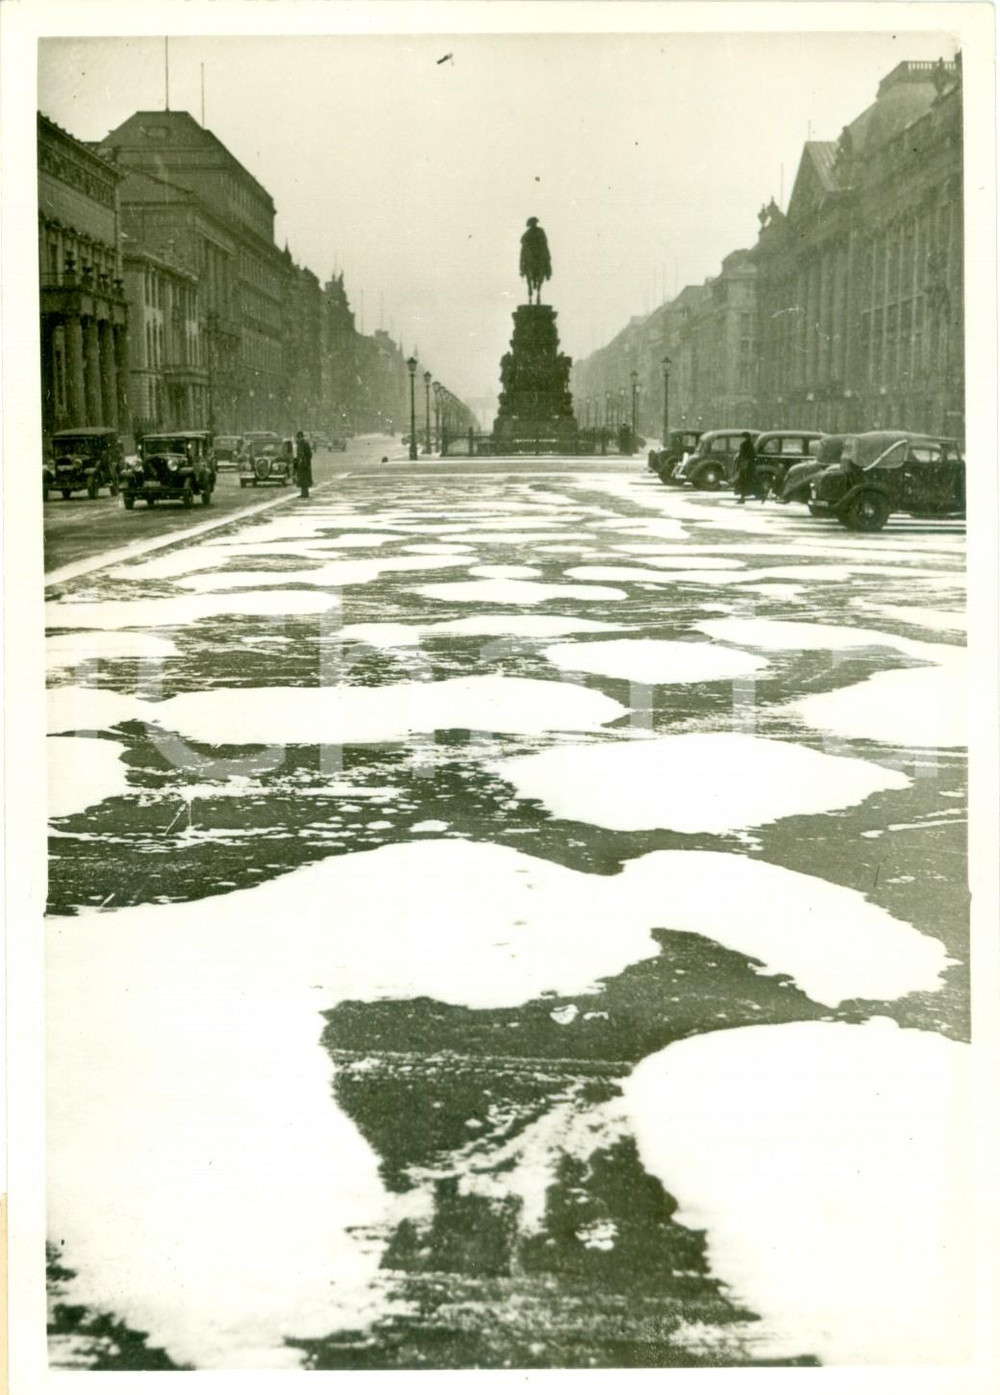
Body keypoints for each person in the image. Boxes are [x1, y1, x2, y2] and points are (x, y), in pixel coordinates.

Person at [733, 433, 757, 503]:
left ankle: (742, 498)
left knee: (742, 482)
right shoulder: (751, 445)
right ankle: (742, 497)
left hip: (744, 466)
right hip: (749, 466)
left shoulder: (744, 445)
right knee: (747, 482)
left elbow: (742, 455)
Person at [294, 430, 313, 499]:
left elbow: (309, 455)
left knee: (304, 479)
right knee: (301, 479)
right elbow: (297, 456)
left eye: (300, 437)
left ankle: (305, 494)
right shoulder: (299, 445)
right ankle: (303, 493)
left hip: (304, 465)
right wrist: (296, 464)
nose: (299, 439)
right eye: (298, 437)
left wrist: (305, 462)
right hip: (300, 464)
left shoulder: (305, 444)